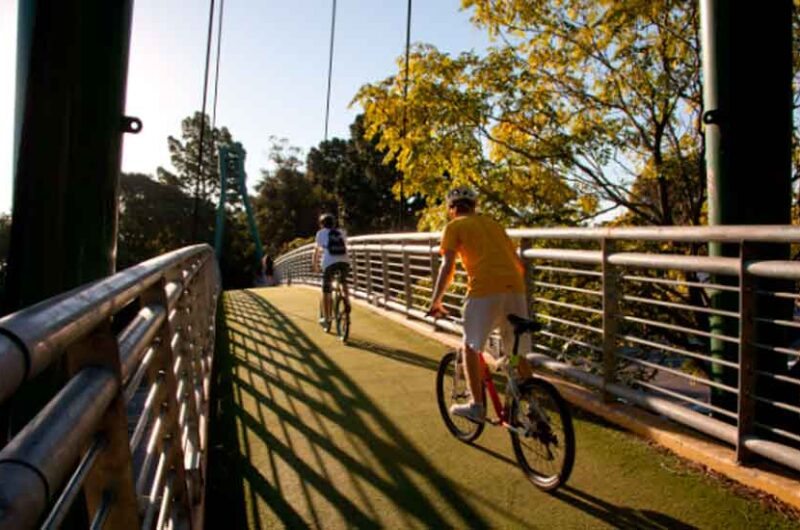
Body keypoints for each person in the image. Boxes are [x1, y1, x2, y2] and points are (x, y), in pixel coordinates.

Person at [427, 186, 533, 423]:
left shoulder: (454, 226)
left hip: (484, 290)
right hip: (515, 289)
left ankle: (476, 405)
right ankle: (532, 400)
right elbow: (519, 266)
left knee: (471, 347)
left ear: (451, 209)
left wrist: (436, 300)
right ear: (475, 206)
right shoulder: (495, 225)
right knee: (515, 351)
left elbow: (448, 266)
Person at [312, 213, 350, 326]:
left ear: (322, 224)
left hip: (329, 264)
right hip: (344, 262)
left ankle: (327, 318)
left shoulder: (320, 233)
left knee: (326, 290)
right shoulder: (341, 232)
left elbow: (316, 252)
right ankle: (347, 301)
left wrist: (315, 265)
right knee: (343, 281)